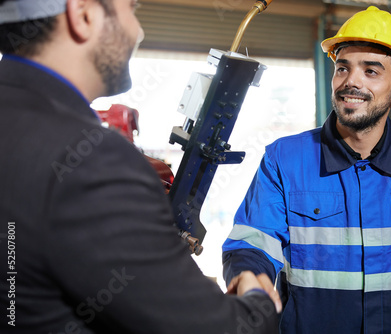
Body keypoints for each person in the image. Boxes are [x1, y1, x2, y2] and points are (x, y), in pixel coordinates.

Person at [0, 0, 281, 333]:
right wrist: (257, 303)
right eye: (131, 10)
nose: (139, 31)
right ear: (84, 14)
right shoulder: (91, 160)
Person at [222, 6, 391, 334]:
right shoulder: (284, 160)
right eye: (342, 68)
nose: (351, 81)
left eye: (371, 71)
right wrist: (248, 274)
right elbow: (253, 243)